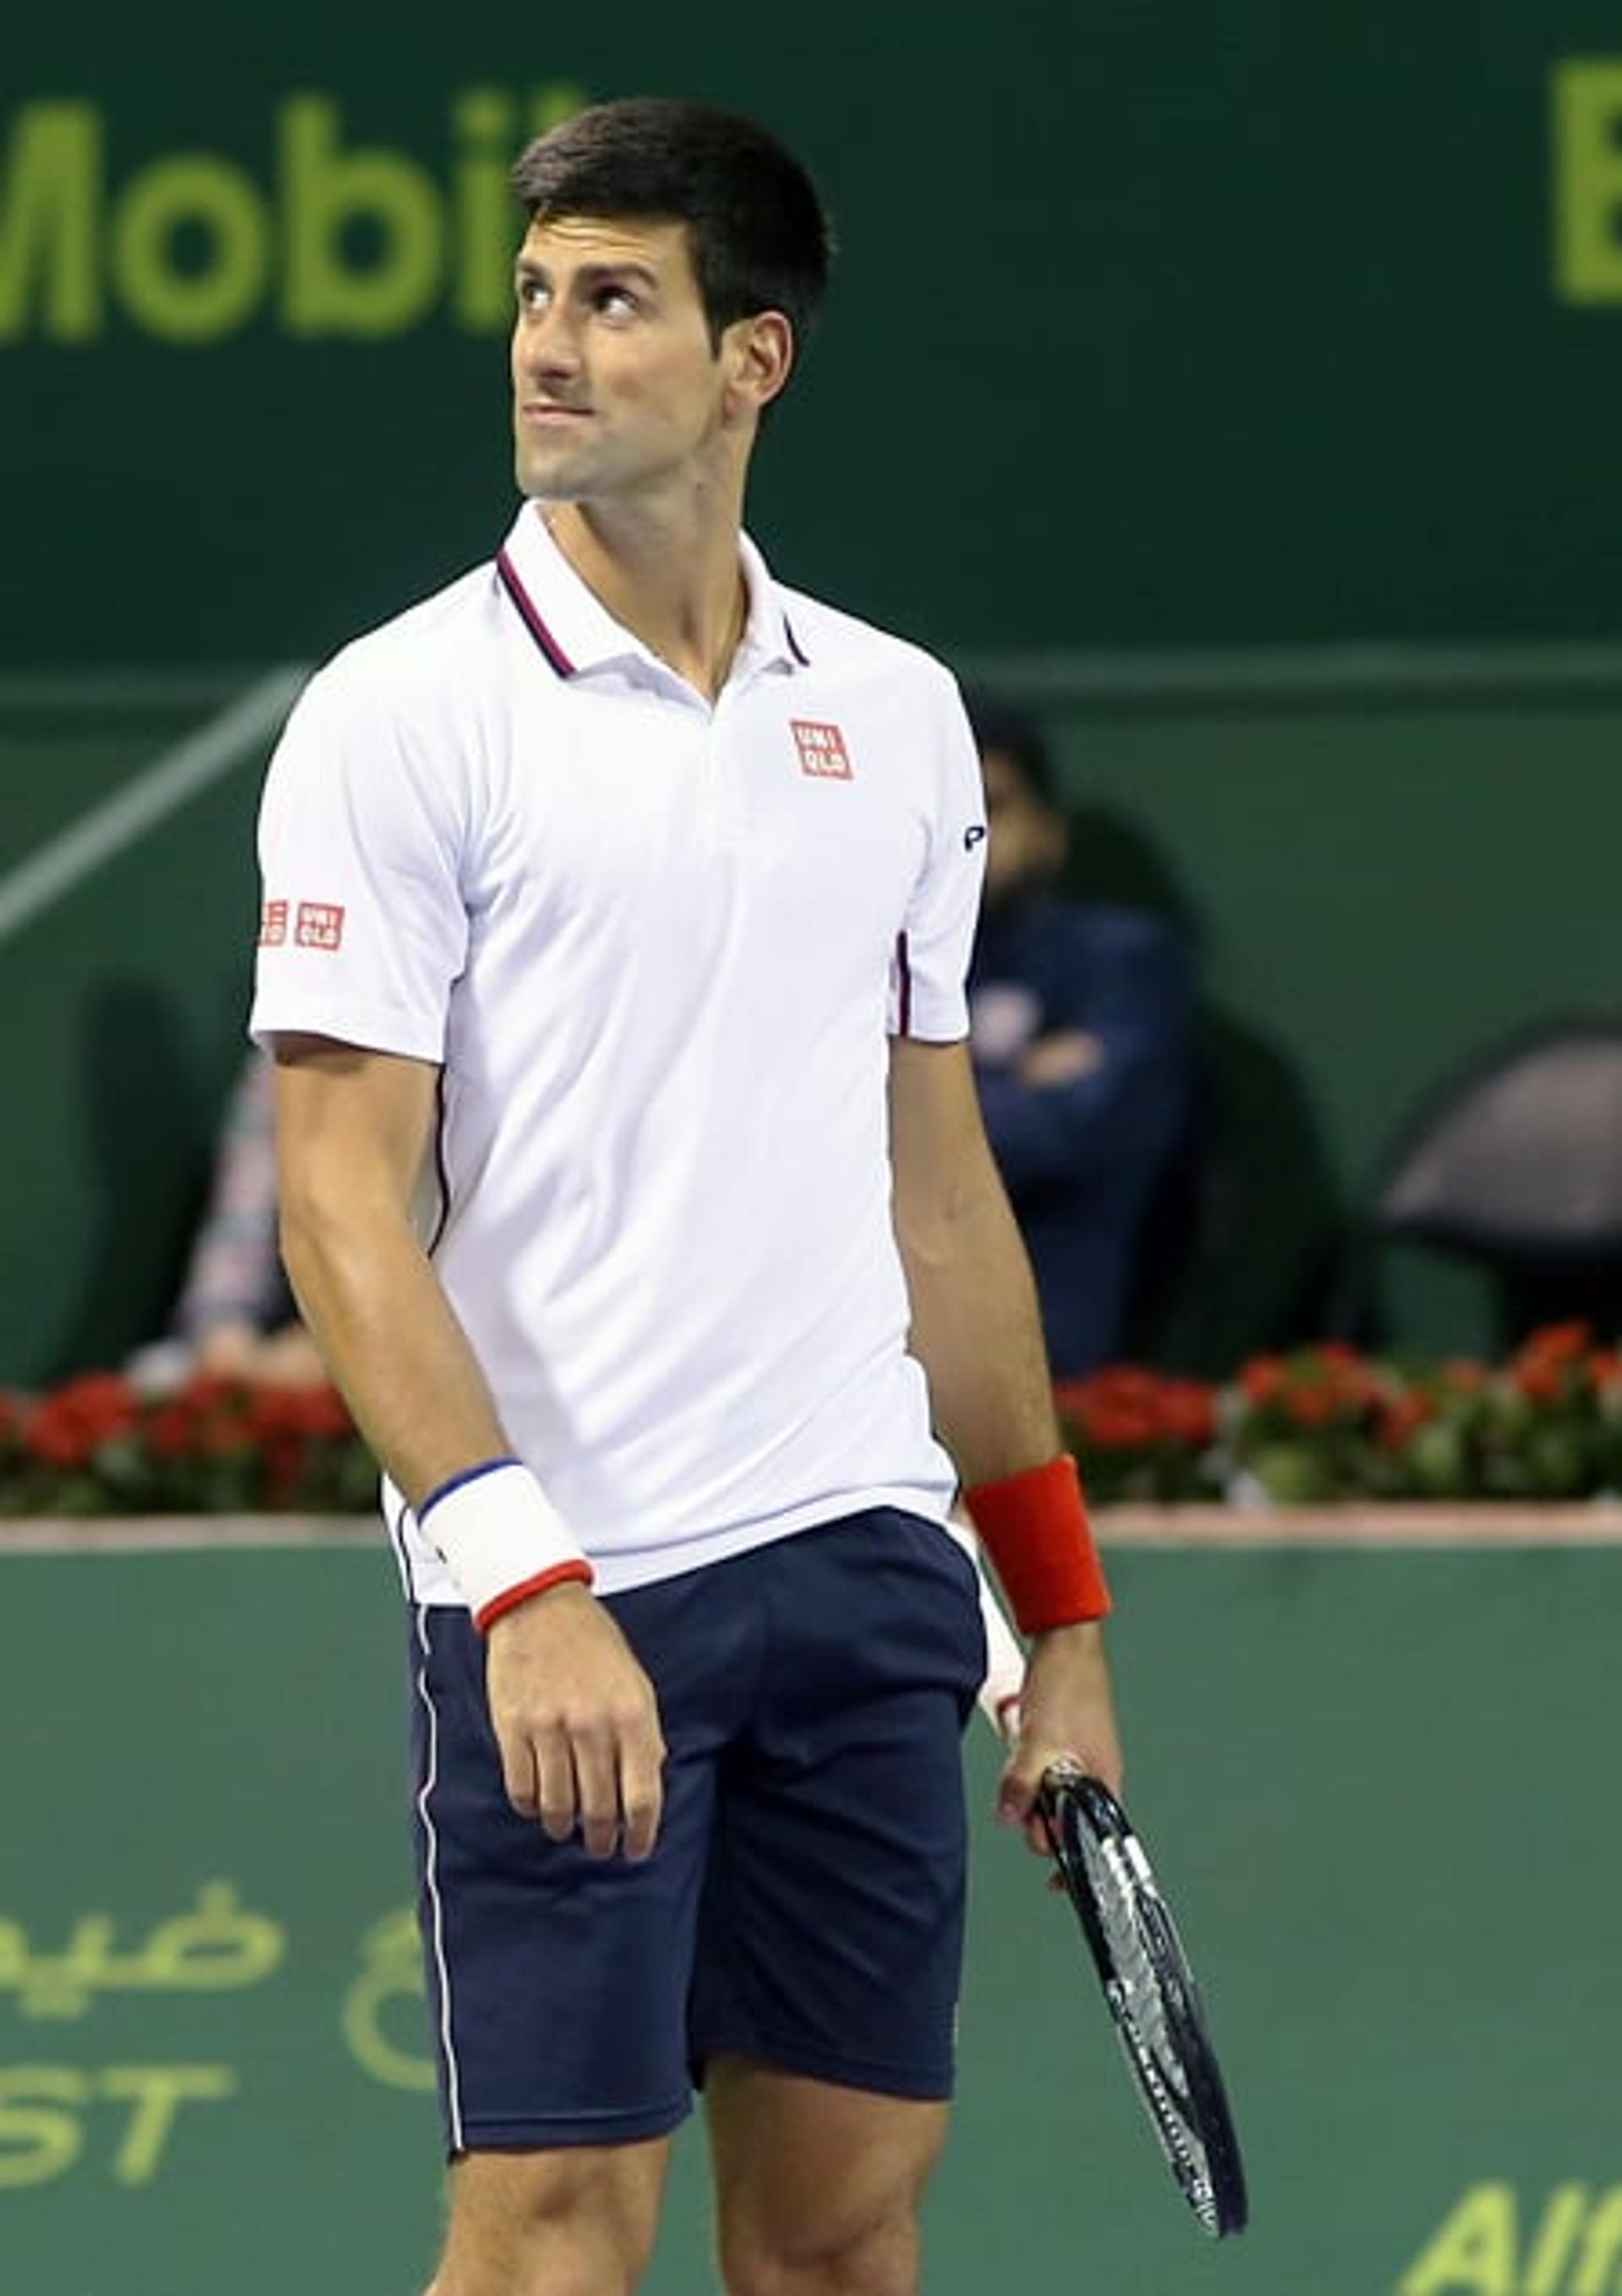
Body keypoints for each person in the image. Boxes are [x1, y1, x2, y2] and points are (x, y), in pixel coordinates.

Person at [250, 98, 1122, 2296]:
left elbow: (942, 1191)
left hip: (858, 1568)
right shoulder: (399, 716)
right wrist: (516, 1569)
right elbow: (338, 1203)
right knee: (552, 2237)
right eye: (537, 295)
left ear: (756, 360)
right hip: (570, 1584)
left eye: (614, 298)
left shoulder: (902, 721)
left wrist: (1063, 1621)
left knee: (842, 2235)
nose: (550, 344)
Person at [966, 691, 1196, 1375]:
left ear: (1049, 831)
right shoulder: (869, 962)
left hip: (1054, 1359)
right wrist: (1013, 1081)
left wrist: (903, 1105)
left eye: (993, 806)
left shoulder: (1123, 962)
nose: (966, 835)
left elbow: (1058, 1136)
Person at [127, 1046, 326, 1392]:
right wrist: (222, 1330)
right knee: (154, 1377)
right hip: (287, 1344)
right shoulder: (287, 1045)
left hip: (408, 1339)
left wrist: (330, 1347)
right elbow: (241, 1216)